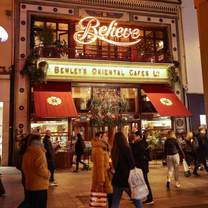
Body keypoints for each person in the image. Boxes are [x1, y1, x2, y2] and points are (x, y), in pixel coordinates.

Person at [111, 132, 143, 208]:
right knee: (137, 200)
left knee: (115, 203)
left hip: (116, 179)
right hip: (127, 179)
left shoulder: (114, 150)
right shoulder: (126, 149)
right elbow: (132, 165)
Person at [22, 134, 51, 208]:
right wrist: (48, 174)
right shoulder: (39, 152)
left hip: (30, 184)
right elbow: (40, 168)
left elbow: (24, 167)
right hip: (39, 186)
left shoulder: (27, 152)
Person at [131, 131, 154, 205]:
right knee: (138, 181)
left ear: (138, 136)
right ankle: (136, 196)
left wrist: (132, 144)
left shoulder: (139, 144)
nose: (133, 137)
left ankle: (150, 198)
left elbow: (133, 152)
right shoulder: (142, 143)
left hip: (141, 166)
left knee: (145, 182)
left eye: (134, 136)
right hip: (142, 165)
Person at [91, 132, 113, 208]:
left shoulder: (102, 148)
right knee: (106, 194)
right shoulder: (99, 149)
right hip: (103, 175)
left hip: (105, 173)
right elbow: (99, 166)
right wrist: (101, 180)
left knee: (107, 194)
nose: (107, 137)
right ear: (100, 138)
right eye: (105, 136)